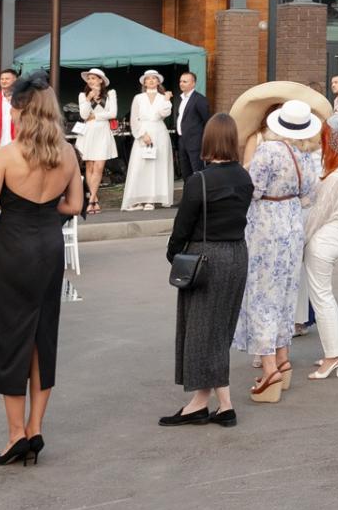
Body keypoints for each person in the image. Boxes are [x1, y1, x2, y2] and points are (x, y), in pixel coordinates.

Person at [0, 73, 83, 465]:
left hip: (13, 248)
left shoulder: (5, 155)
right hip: (49, 247)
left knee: (10, 336)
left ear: (20, 111)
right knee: (41, 335)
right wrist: (46, 209)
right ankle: (36, 427)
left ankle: (16, 433)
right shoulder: (67, 154)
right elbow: (74, 206)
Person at [161, 113, 252, 427]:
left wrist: (174, 256)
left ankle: (224, 405)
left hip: (206, 257)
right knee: (219, 330)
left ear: (208, 140)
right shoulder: (244, 178)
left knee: (201, 331)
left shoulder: (199, 180)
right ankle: (201, 403)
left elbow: (181, 229)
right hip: (237, 254)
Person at [234, 98, 321, 404]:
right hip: (292, 221)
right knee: (285, 292)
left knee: (262, 294)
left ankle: (270, 367)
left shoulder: (268, 150)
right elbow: (311, 194)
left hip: (265, 224)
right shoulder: (306, 154)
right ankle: (283, 360)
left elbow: (253, 189)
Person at [299, 114, 338, 382]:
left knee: (322, 298)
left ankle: (333, 355)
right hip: (336, 235)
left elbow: (317, 216)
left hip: (324, 239)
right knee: (325, 296)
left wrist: (299, 242)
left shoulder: (337, 176)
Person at [122, 71, 174, 212]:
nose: (151, 81)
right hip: (143, 132)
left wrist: (167, 99)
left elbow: (164, 113)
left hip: (159, 133)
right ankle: (138, 199)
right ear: (144, 82)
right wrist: (141, 134)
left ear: (158, 82)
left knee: (157, 165)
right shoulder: (138, 98)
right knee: (140, 166)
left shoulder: (163, 98)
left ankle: (152, 199)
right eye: (148, 79)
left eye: (154, 78)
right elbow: (134, 119)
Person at [74, 69, 117, 216]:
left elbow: (113, 113)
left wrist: (96, 116)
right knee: (90, 166)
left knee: (99, 167)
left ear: (100, 80)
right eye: (89, 78)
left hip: (103, 132)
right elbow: (84, 115)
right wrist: (88, 99)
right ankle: (94, 200)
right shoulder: (83, 95)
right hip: (88, 133)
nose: (90, 81)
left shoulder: (110, 94)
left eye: (93, 78)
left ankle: (91, 199)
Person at [175, 72, 211, 182]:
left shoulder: (199, 99)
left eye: (185, 81)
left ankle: (199, 193)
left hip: (196, 143)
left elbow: (208, 121)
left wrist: (203, 141)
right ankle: (188, 192)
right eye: (180, 81)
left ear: (193, 83)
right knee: (186, 173)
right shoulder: (181, 99)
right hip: (182, 141)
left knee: (197, 172)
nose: (181, 83)